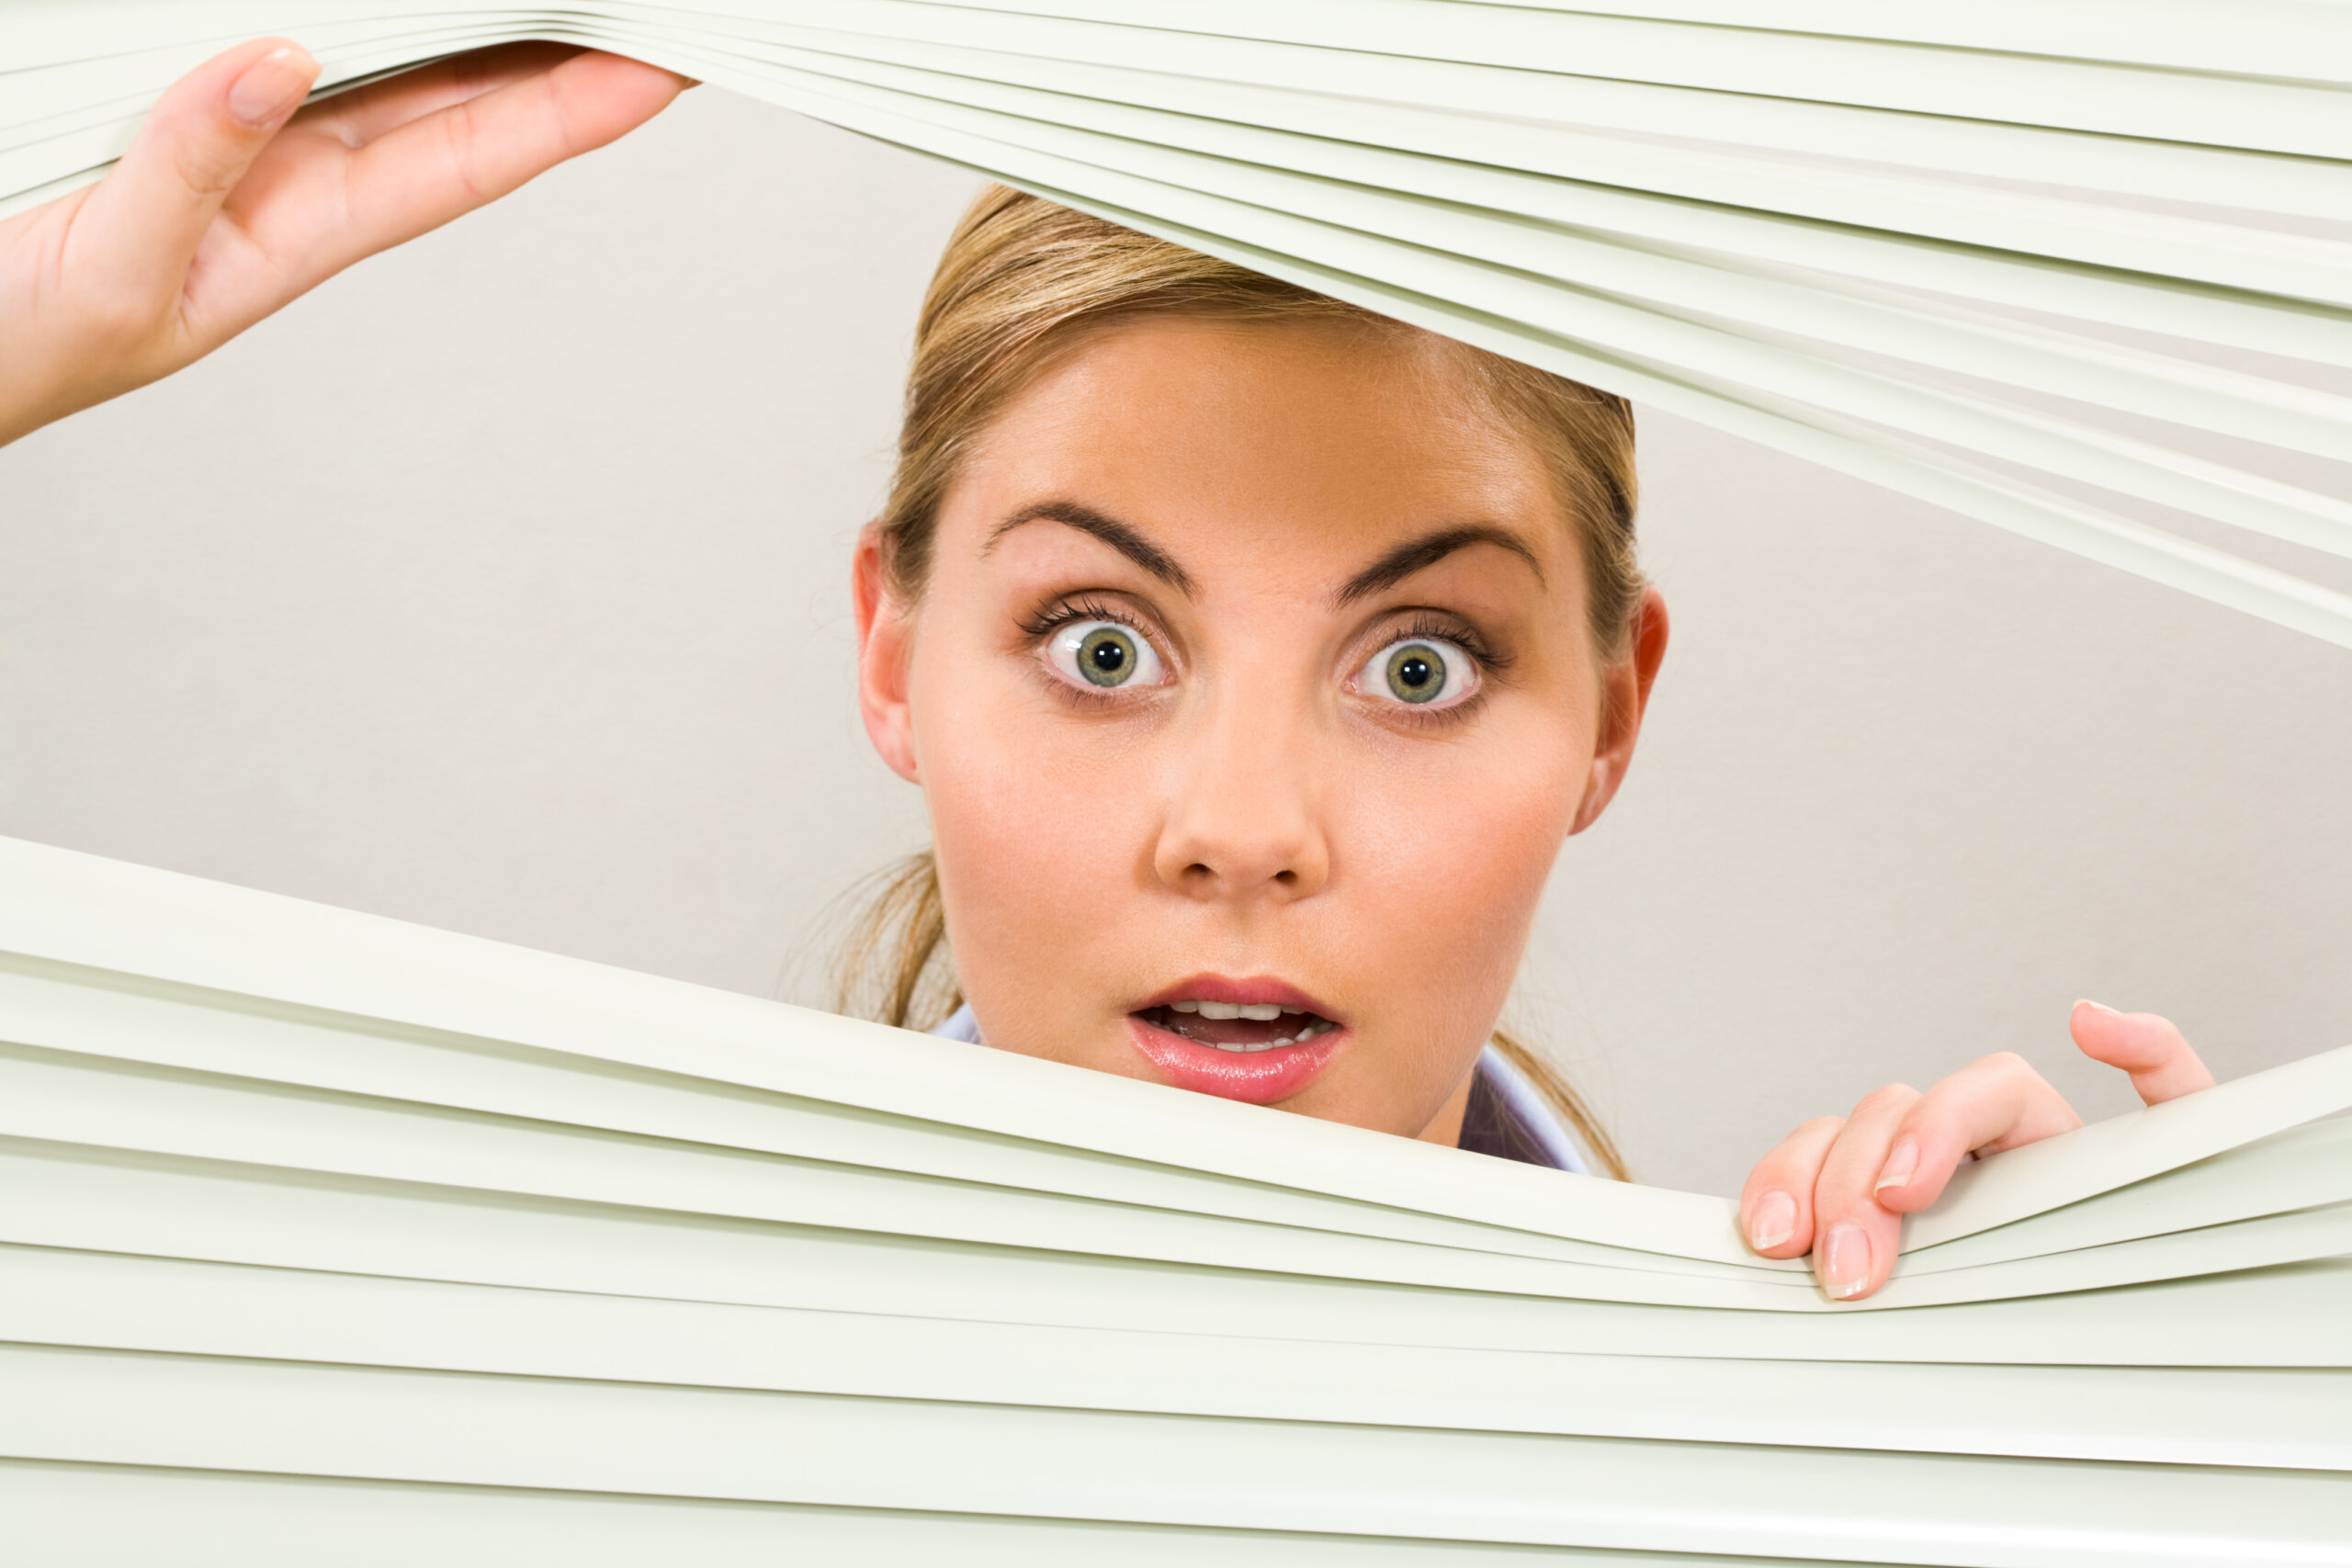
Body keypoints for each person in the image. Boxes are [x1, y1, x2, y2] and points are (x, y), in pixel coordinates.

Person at [2, 40, 2219, 1303]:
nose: (1239, 829)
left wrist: (2160, 1428)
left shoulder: (1814, 1453)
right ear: (891, 652)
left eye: (1418, 663)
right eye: (1099, 644)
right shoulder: (477, 1379)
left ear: (1609, 713)